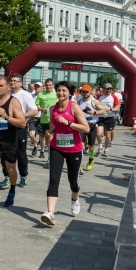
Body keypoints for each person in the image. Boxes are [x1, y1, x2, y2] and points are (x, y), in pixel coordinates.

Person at [40, 82, 91, 227]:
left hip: (74, 149)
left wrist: (69, 123)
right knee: (53, 179)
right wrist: (49, 132)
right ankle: (51, 213)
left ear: (69, 93)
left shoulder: (74, 107)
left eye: (64, 90)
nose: (60, 93)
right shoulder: (52, 108)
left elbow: (86, 128)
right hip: (56, 147)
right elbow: (52, 126)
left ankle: (75, 199)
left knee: (73, 181)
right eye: (58, 90)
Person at [0, 76, 27, 207]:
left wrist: (6, 116)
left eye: (1, 86)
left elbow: (22, 123)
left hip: (9, 141)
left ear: (8, 87)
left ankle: (12, 191)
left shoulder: (14, 102)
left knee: (11, 169)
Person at [7, 73, 38, 188]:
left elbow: (34, 111)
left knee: (21, 153)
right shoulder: (6, 93)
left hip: (20, 127)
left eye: (16, 81)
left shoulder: (25, 95)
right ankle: (7, 177)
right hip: (6, 127)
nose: (13, 82)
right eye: (12, 80)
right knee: (7, 154)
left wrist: (20, 117)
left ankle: (23, 176)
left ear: (20, 83)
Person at [77, 84, 106, 170]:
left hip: (92, 126)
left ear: (90, 91)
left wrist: (93, 113)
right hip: (82, 126)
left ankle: (91, 159)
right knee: (81, 145)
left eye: (87, 92)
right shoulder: (79, 101)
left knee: (91, 146)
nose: (85, 93)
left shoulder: (94, 101)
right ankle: (80, 165)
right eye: (83, 92)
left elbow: (103, 111)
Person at [34, 79, 58, 161]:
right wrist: (41, 109)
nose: (48, 86)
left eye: (50, 85)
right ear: (44, 86)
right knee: (46, 138)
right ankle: (47, 152)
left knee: (51, 137)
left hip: (54, 120)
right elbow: (36, 106)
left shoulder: (56, 94)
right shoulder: (40, 95)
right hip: (44, 119)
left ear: (53, 85)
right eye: (47, 85)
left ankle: (50, 156)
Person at [95, 83, 120, 157]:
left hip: (110, 118)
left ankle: (106, 149)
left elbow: (117, 107)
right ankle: (100, 146)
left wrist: (110, 109)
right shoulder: (99, 97)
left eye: (110, 89)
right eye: (107, 89)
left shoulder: (114, 97)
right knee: (99, 134)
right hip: (100, 118)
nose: (109, 90)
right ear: (104, 89)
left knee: (108, 136)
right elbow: (94, 105)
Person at [28, 82, 43, 153]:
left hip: (42, 118)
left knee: (42, 136)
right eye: (36, 86)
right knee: (31, 134)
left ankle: (42, 151)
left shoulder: (44, 96)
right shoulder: (30, 96)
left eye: (38, 86)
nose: (36, 88)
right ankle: (35, 145)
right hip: (33, 118)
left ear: (41, 88)